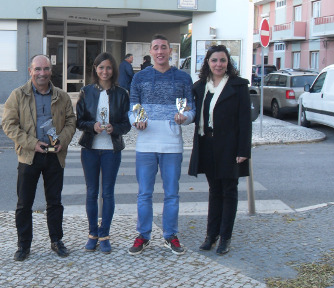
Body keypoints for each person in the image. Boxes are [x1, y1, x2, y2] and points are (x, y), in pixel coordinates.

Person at [2, 55, 76, 261]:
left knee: (55, 202)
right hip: (29, 156)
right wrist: (31, 143)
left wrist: (63, 139)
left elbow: (71, 121)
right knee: (24, 204)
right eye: (38, 69)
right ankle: (23, 245)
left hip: (55, 155)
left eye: (46, 69)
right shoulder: (17, 95)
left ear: (51, 71)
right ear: (30, 70)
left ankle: (56, 240)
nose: (42, 73)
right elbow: (9, 124)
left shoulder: (62, 96)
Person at [127, 34, 195, 256]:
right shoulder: (140, 78)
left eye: (163, 47)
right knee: (144, 194)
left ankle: (170, 235)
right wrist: (136, 120)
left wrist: (185, 117)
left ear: (170, 51)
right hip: (146, 143)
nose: (160, 51)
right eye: (155, 48)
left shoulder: (183, 78)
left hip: (172, 144)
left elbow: (190, 109)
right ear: (151, 51)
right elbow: (134, 107)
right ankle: (143, 236)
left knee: (172, 194)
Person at [188, 45, 251, 255]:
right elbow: (191, 112)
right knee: (214, 191)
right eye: (214, 60)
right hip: (207, 143)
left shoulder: (239, 86)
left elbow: (245, 121)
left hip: (230, 147)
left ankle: (225, 237)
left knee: (229, 192)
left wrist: (243, 150)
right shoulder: (199, 87)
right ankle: (210, 235)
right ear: (207, 62)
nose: (218, 64)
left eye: (222, 60)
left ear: (228, 63)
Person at [76, 52, 131, 254]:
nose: (104, 71)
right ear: (95, 69)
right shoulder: (86, 92)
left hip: (111, 150)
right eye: (101, 67)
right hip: (90, 149)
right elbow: (79, 121)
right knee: (92, 193)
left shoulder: (122, 93)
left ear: (113, 70)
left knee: (107, 193)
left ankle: (105, 234)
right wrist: (93, 126)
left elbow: (127, 125)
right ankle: (92, 234)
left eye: (108, 67)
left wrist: (114, 128)